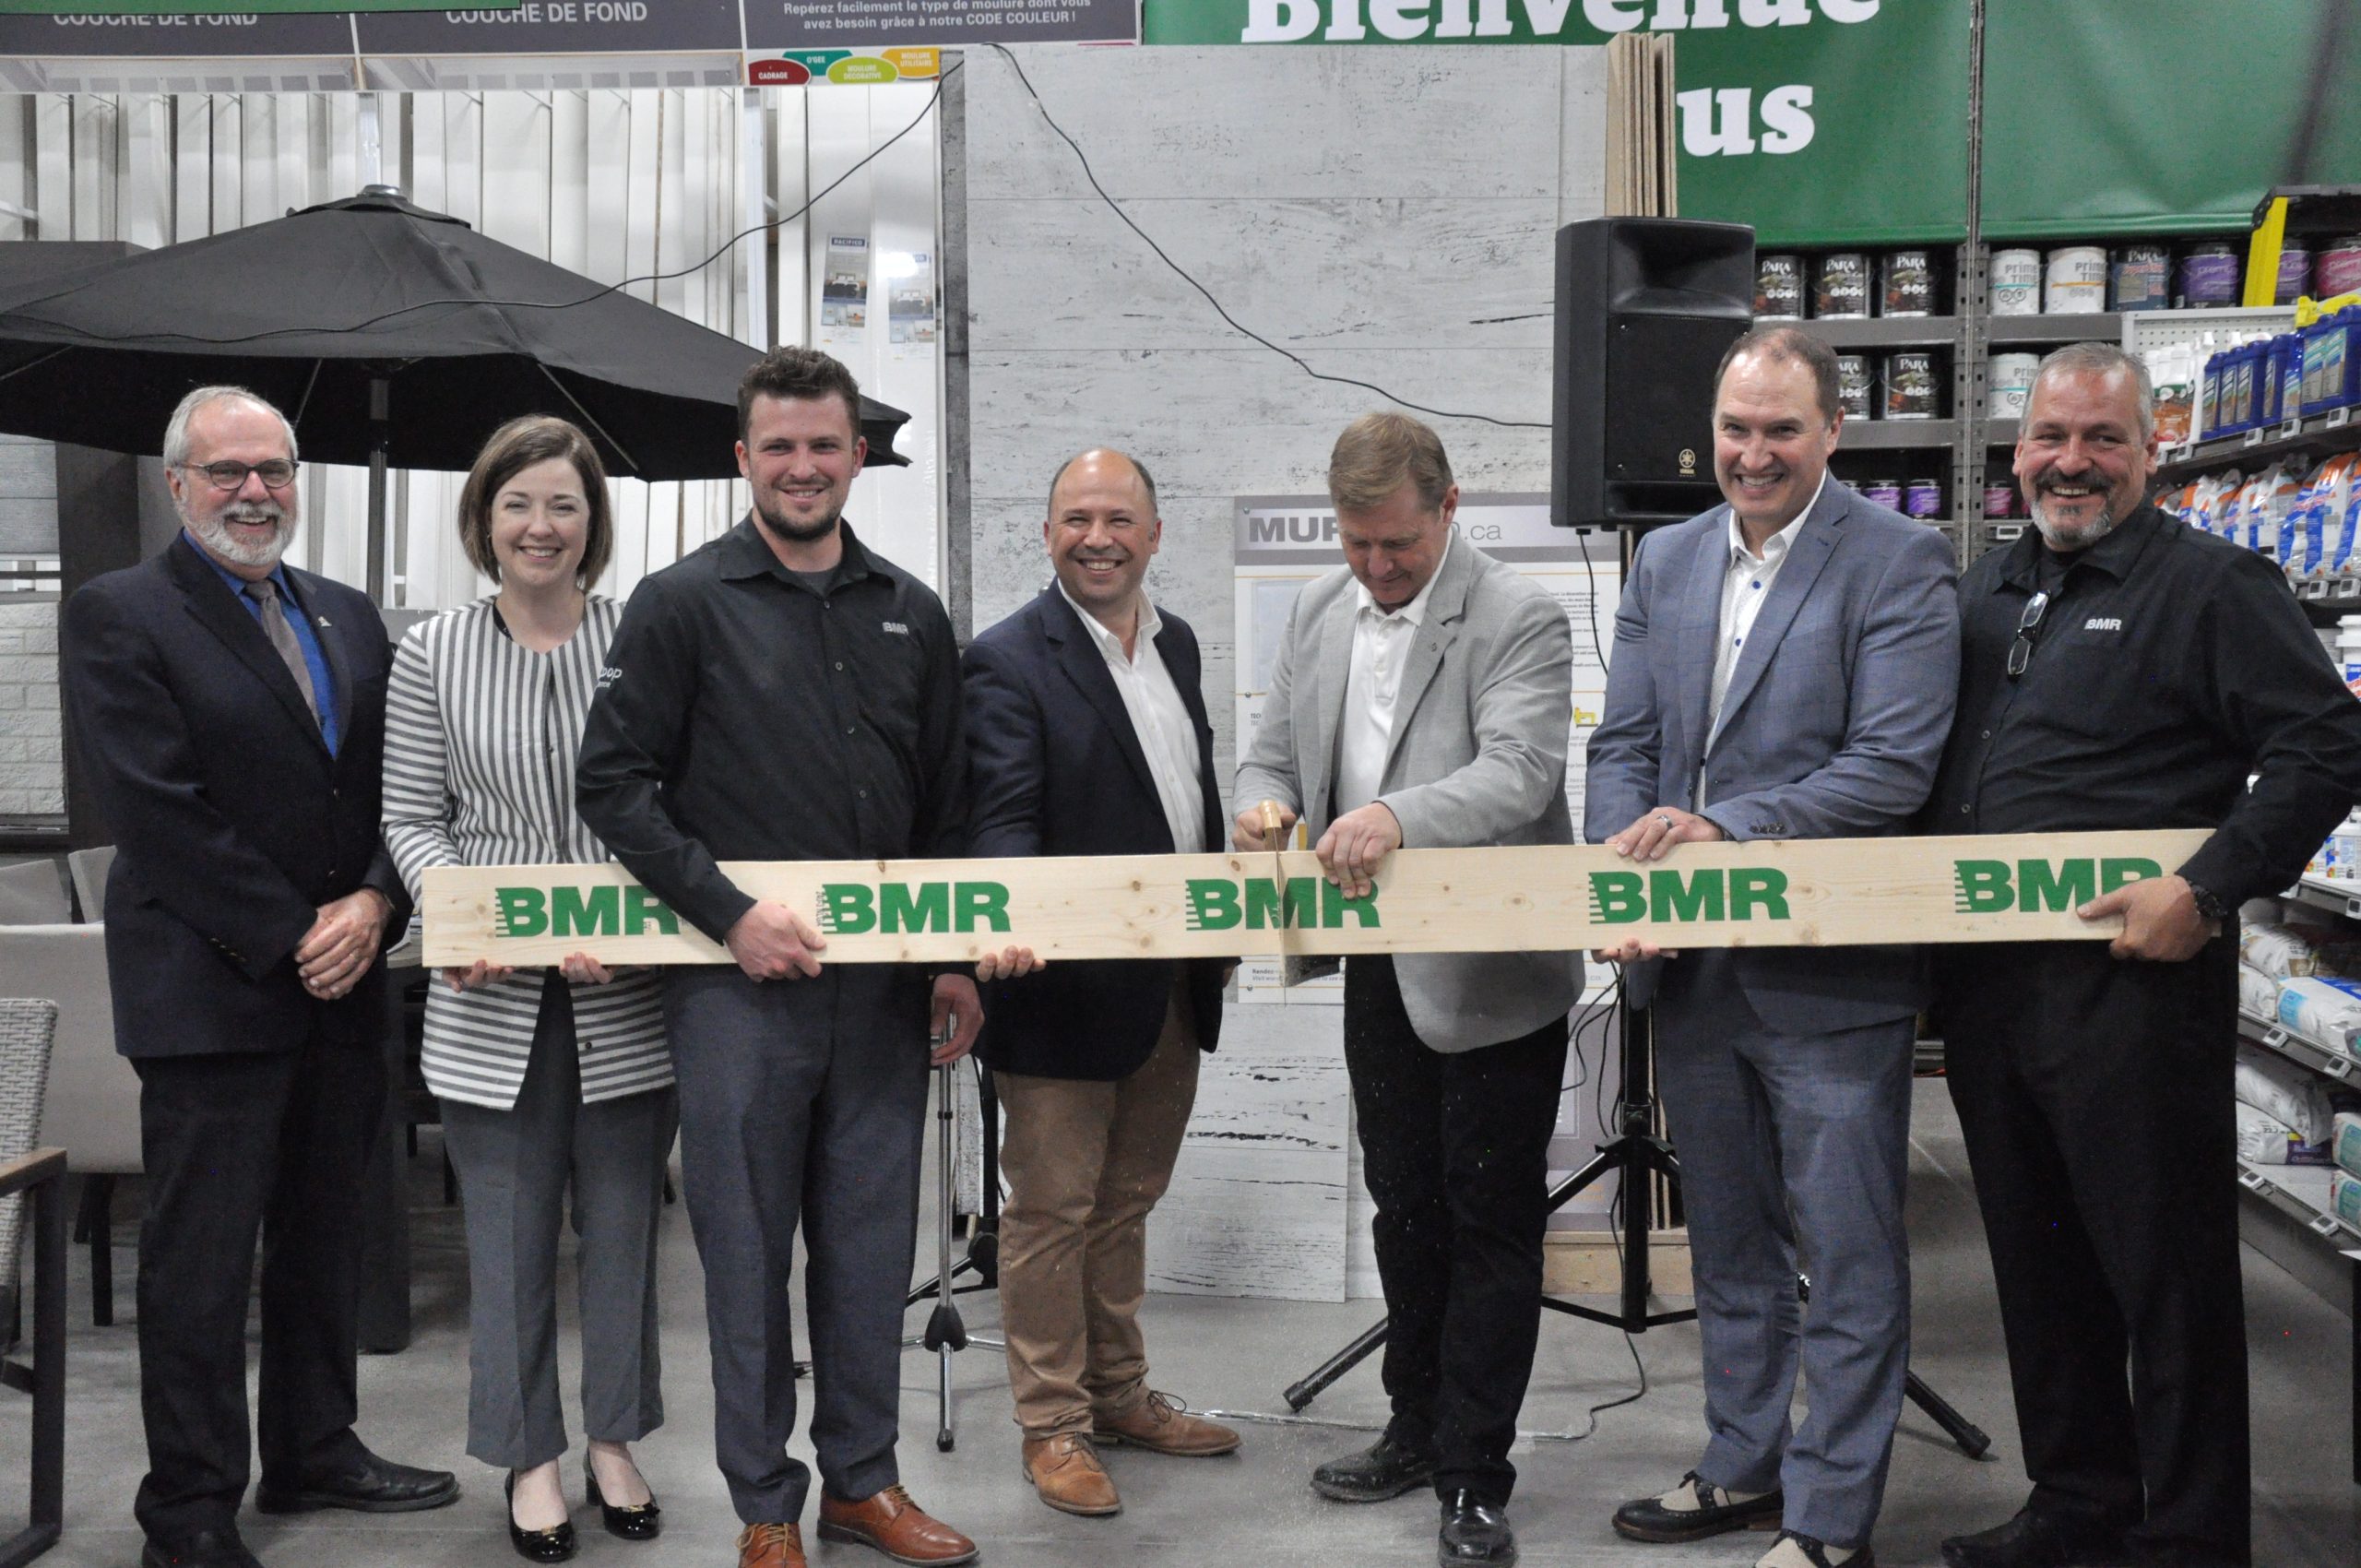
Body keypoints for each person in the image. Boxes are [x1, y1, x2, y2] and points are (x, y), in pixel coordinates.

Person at [1928, 343, 2361, 1568]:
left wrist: (2210, 888)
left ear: (2148, 452)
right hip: (1995, 994)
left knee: (2165, 1285)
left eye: (2103, 439)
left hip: (2136, 993)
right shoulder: (1985, 588)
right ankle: (2079, 1503)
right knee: (2038, 1266)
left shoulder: (2216, 586)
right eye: (2053, 439)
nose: (2074, 462)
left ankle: (2190, 1536)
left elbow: (2329, 745)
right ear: (2018, 453)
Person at [575, 346, 980, 1568]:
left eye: (825, 444)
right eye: (781, 446)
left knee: (866, 1255)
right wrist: (729, 913)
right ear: (744, 459)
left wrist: (952, 959)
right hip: (736, 995)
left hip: (882, 996)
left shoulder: (912, 608)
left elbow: (948, 805)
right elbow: (614, 781)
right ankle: (766, 1507)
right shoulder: (681, 602)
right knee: (746, 1258)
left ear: (858, 454)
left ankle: (863, 1482)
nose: (804, 466)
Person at [59, 386, 458, 1568]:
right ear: (177, 482)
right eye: (227, 470)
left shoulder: (344, 614)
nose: (255, 491)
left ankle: (315, 1444)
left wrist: (379, 898)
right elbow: (155, 808)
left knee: (325, 1235)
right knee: (201, 1260)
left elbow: (400, 786)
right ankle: (186, 1507)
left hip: (343, 986)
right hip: (211, 989)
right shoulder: (119, 612)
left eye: (275, 469)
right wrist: (300, 932)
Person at [1585, 325, 1960, 1568]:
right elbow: (1623, 746)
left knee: (1847, 1259)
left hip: (1830, 976)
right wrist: (1616, 880)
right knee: (1732, 1241)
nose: (1753, 454)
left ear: (1832, 432)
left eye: (1781, 430)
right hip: (1692, 973)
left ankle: (1832, 1517)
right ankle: (1743, 1463)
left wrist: (1718, 830)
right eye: (1737, 429)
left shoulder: (1900, 562)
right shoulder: (1670, 559)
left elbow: (1892, 766)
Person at [1234, 411, 1580, 1568]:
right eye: (1357, 544)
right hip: (1378, 964)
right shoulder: (1319, 611)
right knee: (1403, 1206)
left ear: (1448, 508)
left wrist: (1391, 815)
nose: (1376, 568)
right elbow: (1271, 751)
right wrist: (1265, 803)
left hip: (1493, 970)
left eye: (1397, 545)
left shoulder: (1520, 615)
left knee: (1490, 1222)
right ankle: (1414, 1424)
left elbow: (1521, 770)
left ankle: (1476, 1472)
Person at [382, 416, 678, 1563]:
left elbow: (674, 808)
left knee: (620, 1234)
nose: (539, 526)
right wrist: (457, 912)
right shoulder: (433, 651)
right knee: (505, 1244)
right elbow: (412, 815)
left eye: (562, 504)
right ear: (484, 519)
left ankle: (614, 1439)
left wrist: (631, 921)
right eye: (518, 504)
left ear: (591, 522)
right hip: (486, 998)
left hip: (625, 997)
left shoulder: (640, 640)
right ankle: (528, 1456)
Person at [960, 447, 1240, 1518]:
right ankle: (1052, 1423)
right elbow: (1003, 814)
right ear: (1046, 534)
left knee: (1126, 1203)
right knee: (1049, 1213)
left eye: (1118, 517)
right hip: (1059, 989)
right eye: (1075, 517)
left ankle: (1119, 1393)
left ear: (1154, 534)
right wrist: (1013, 911)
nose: (1097, 536)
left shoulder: (1176, 644)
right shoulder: (1006, 658)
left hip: (1169, 977)